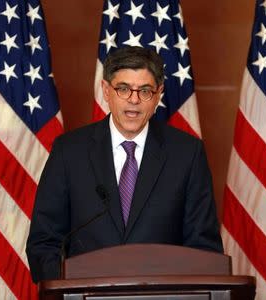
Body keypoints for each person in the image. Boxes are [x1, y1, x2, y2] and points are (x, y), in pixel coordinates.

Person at [26, 46, 223, 283]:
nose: (134, 100)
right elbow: (44, 242)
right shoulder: (69, 151)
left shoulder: (187, 153)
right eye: (123, 89)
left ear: (159, 94)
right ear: (106, 91)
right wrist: (65, 290)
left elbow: (203, 247)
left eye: (145, 91)